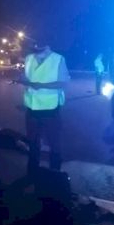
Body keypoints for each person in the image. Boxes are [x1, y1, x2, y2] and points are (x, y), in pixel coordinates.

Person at [19, 40, 70, 174]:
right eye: (34, 43)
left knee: (54, 143)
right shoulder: (29, 58)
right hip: (31, 107)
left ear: (47, 43)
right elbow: (25, 77)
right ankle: (32, 173)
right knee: (33, 143)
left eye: (39, 43)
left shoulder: (58, 59)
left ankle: (55, 174)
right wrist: (23, 80)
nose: (36, 45)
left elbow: (63, 83)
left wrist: (40, 85)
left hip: (50, 109)